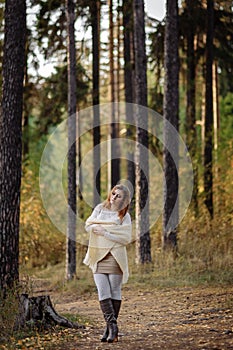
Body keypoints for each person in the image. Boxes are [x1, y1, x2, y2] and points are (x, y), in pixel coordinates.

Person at [83, 184, 132, 343]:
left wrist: (105, 232)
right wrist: (95, 228)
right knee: (103, 291)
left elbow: (125, 238)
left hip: (115, 256)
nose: (114, 197)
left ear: (124, 200)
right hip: (98, 254)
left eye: (119, 196)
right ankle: (112, 327)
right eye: (113, 194)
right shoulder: (99, 209)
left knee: (114, 290)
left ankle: (110, 329)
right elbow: (88, 224)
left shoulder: (124, 216)